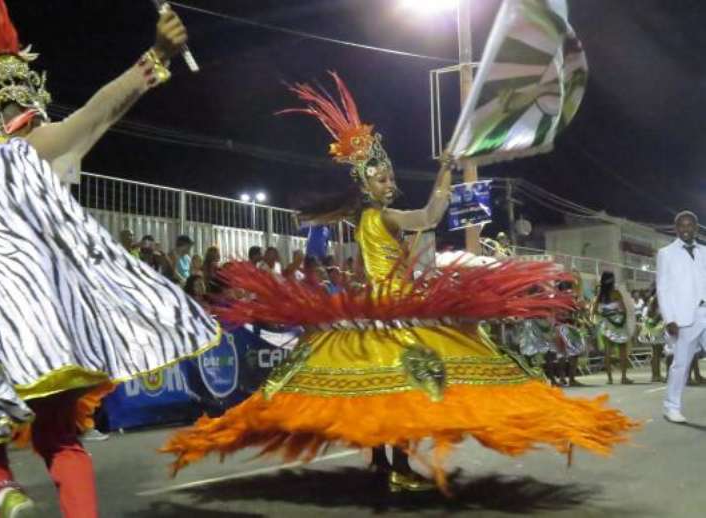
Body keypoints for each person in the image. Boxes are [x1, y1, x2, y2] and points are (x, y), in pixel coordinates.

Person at [161, 72, 634, 492]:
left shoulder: (364, 217)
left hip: (376, 309)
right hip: (396, 309)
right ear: (367, 187)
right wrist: (446, 173)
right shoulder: (383, 216)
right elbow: (429, 216)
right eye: (381, 178)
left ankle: (386, 464)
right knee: (407, 388)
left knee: (385, 391)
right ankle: (398, 466)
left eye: (388, 177)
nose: (388, 182)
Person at [0, 3, 220, 517]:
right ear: (30, 104)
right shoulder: (38, 149)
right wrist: (154, 58)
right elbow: (96, 113)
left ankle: (1, 488)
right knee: (60, 438)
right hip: (52, 331)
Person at [657, 211, 706, 423]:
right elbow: (663, 288)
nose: (686, 229)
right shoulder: (666, 253)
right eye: (682, 226)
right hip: (684, 317)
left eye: (690, 225)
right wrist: (669, 319)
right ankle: (671, 406)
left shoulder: (705, 251)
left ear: (696, 228)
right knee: (681, 364)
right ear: (676, 228)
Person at [592, 272, 635, 385]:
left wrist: (606, 314)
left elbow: (594, 311)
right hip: (618, 324)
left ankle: (609, 378)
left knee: (607, 352)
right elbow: (623, 309)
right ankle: (623, 377)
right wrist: (617, 314)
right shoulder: (616, 293)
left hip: (606, 325)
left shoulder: (600, 296)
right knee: (622, 351)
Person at [638, 284, 666, 383]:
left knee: (655, 352)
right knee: (656, 353)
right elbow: (650, 312)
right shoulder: (656, 298)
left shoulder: (654, 298)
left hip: (653, 327)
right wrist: (659, 316)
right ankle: (656, 375)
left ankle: (656, 374)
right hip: (654, 327)